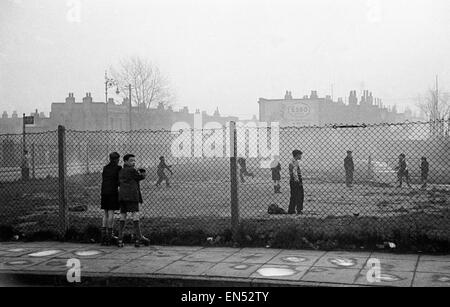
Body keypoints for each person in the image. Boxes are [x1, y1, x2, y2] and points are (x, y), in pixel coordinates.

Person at [117, 154, 149, 247]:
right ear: (125, 161)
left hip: (122, 196)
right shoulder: (132, 170)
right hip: (132, 196)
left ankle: (120, 238)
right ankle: (139, 237)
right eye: (131, 160)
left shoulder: (121, 171)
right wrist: (143, 172)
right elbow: (141, 177)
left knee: (123, 215)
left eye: (134, 160)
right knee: (135, 214)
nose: (133, 162)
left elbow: (119, 182)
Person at [100, 152, 122, 246]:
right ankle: (110, 235)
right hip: (113, 191)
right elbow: (119, 180)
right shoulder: (118, 168)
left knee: (105, 213)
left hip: (104, 191)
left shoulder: (105, 167)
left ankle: (103, 236)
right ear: (117, 159)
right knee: (111, 213)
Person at [288, 150, 304, 215]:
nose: (301, 156)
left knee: (294, 196)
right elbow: (294, 173)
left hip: (294, 181)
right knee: (299, 196)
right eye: (300, 155)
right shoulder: (293, 162)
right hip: (295, 181)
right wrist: (298, 181)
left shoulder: (294, 162)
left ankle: (291, 210)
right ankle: (298, 210)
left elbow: (295, 173)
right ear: (297, 155)